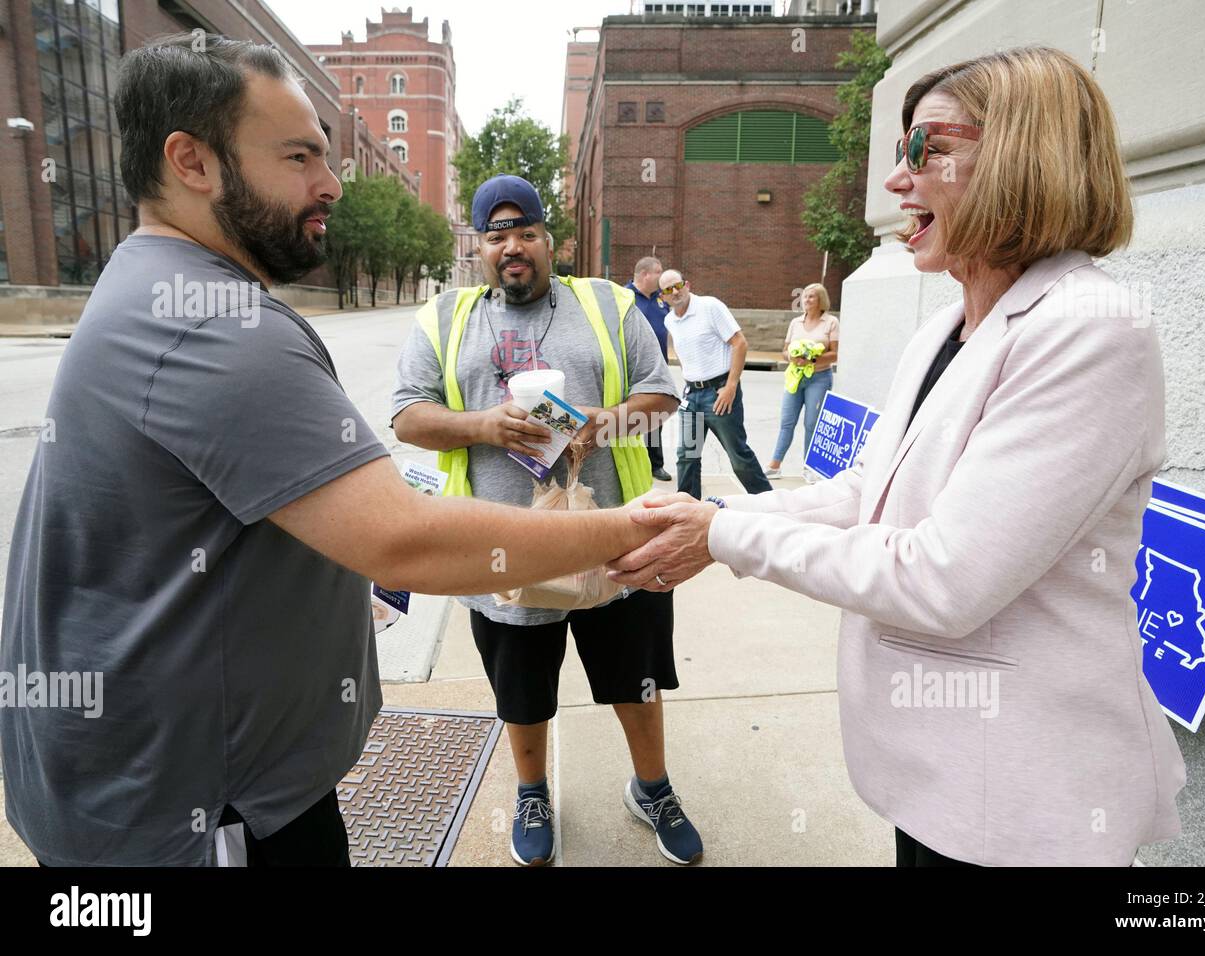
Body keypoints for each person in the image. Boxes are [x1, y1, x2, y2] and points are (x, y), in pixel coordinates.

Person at [0, 35, 660, 868]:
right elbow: (404, 537)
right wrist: (634, 532)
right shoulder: (215, 327)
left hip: (185, 788)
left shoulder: (162, 290)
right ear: (191, 162)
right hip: (201, 813)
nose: (332, 183)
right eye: (300, 156)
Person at [609, 46, 1186, 867]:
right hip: (936, 777)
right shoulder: (942, 330)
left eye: (927, 149)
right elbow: (866, 493)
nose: (896, 180)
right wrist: (715, 516)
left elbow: (942, 577)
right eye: (898, 153)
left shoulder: (1090, 327)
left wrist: (721, 537)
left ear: (1026, 154)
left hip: (1023, 798)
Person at [390, 175, 702, 867]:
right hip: (503, 552)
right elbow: (407, 414)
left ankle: (652, 788)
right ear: (479, 247)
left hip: (613, 537)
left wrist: (601, 423)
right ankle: (532, 793)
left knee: (635, 678)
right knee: (522, 692)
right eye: (497, 236)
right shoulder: (445, 319)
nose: (513, 248)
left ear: (548, 240)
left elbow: (662, 397)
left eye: (525, 232)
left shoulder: (608, 304)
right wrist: (484, 426)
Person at [659, 270, 773, 500]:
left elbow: (739, 343)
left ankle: (771, 504)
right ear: (663, 296)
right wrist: (689, 379)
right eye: (669, 289)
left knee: (738, 457)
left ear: (687, 284)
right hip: (692, 395)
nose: (676, 291)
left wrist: (731, 386)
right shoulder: (669, 320)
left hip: (719, 393)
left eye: (678, 285)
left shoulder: (710, 307)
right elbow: (684, 353)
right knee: (686, 456)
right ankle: (687, 507)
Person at [766, 283, 839, 477]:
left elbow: (835, 354)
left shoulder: (830, 322)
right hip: (795, 378)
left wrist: (812, 358)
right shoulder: (796, 323)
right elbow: (784, 350)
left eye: (811, 296)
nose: (806, 300)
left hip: (819, 378)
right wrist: (791, 357)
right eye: (805, 296)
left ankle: (809, 467)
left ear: (821, 300)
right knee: (787, 422)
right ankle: (774, 466)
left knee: (811, 423)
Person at [626, 255, 675, 482]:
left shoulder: (661, 299)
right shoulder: (624, 296)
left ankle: (656, 464)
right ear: (646, 274)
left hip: (658, 368)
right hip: (630, 369)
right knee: (630, 417)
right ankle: (629, 462)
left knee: (655, 417)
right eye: (659, 272)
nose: (662, 276)